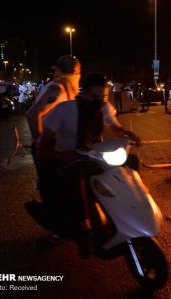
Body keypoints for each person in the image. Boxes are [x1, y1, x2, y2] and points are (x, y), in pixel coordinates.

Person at [39, 73, 140, 256]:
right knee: (77, 182)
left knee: (125, 170)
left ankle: (128, 213)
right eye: (95, 97)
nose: (99, 101)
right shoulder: (64, 110)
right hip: (69, 159)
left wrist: (128, 135)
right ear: (83, 92)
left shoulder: (103, 108)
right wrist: (59, 156)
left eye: (102, 97)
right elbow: (45, 141)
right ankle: (84, 229)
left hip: (95, 157)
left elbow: (116, 128)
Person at [25, 55, 81, 241]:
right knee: (54, 190)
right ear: (73, 73)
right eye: (79, 73)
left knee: (62, 187)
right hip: (46, 150)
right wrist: (41, 144)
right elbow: (33, 115)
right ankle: (58, 230)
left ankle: (66, 225)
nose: (80, 77)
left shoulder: (63, 88)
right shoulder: (57, 89)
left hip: (54, 148)